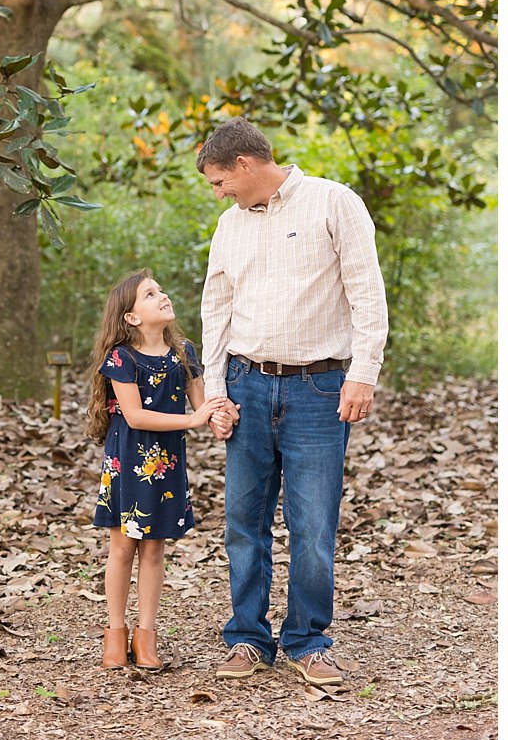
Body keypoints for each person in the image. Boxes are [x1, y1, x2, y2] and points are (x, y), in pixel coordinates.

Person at [197, 117, 388, 687]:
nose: (218, 193)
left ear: (246, 166)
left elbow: (366, 292)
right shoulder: (230, 226)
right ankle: (248, 639)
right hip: (247, 384)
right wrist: (215, 390)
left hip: (319, 389)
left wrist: (364, 373)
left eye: (219, 181)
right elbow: (216, 309)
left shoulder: (335, 203)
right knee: (242, 520)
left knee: (312, 524)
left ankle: (308, 640)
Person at [86, 270, 229, 670]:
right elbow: (134, 416)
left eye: (160, 290)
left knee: (154, 548)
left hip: (166, 465)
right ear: (131, 317)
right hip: (129, 462)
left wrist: (219, 418)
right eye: (150, 294)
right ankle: (115, 634)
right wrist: (194, 419)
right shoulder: (122, 358)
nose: (162, 296)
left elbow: (205, 401)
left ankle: (145, 636)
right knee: (123, 546)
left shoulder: (182, 351)